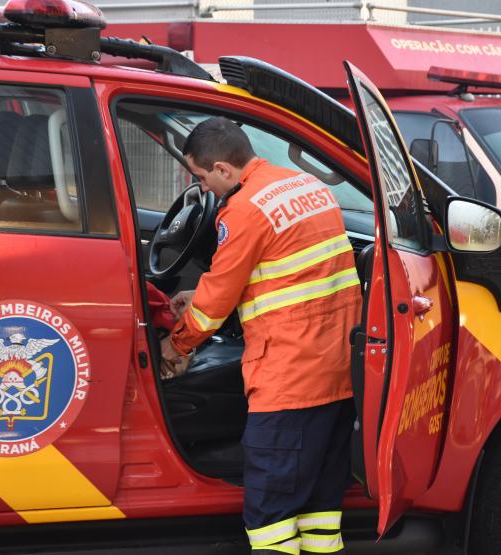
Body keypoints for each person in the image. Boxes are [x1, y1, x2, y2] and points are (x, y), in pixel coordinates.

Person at [160, 117, 361, 555]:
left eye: (201, 177)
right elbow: (287, 271)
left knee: (271, 513)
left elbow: (212, 310)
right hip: (337, 370)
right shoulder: (306, 187)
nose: (204, 188)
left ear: (224, 170)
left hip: (288, 377)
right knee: (322, 504)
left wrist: (174, 346)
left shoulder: (244, 210)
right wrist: (205, 292)